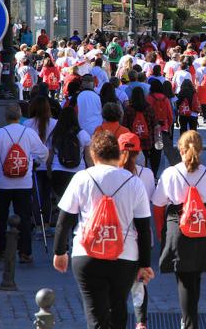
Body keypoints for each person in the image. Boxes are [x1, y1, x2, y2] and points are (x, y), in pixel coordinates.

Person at [52, 131, 153, 329]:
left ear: (93, 155)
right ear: (118, 154)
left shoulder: (82, 178)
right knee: (118, 311)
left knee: (95, 315)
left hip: (87, 254)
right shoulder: (134, 183)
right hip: (125, 257)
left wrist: (60, 252)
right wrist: (145, 264)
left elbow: (64, 220)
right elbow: (144, 228)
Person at [151, 131, 206, 329]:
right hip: (203, 226)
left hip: (178, 228)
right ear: (200, 149)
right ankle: (190, 319)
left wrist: (161, 232)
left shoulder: (170, 173)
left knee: (183, 279)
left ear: (180, 149)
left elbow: (158, 205)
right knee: (195, 276)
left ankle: (189, 322)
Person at [0, 103, 48, 262]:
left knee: (0, 216)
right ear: (20, 116)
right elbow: (44, 152)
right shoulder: (29, 133)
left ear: (5, 117)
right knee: (24, 218)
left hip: (2, 182)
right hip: (24, 183)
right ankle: (25, 252)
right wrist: (36, 161)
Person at [117, 133, 155, 329]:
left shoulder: (112, 173)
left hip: (118, 235)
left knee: (117, 285)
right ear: (139, 152)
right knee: (140, 281)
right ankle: (141, 322)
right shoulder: (146, 174)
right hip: (141, 234)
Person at [23, 96, 57, 234]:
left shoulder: (26, 124)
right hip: (50, 164)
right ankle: (47, 224)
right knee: (47, 195)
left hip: (34, 164)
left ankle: (38, 225)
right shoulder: (55, 123)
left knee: (35, 196)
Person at [47, 107, 91, 201]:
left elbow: (50, 157)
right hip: (78, 173)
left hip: (58, 172)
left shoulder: (55, 134)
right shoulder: (83, 134)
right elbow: (88, 158)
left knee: (62, 204)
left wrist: (49, 171)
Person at [123, 87, 156, 168]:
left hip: (132, 140)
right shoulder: (149, 108)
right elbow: (154, 123)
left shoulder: (128, 109)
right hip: (146, 140)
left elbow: (125, 125)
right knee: (145, 159)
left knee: (133, 160)